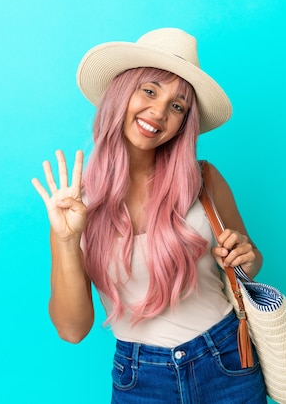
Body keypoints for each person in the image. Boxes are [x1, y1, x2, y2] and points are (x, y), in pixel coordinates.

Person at [32, 28, 267, 403]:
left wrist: (246, 257)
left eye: (177, 106)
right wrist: (65, 238)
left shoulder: (204, 179)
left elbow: (248, 264)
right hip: (142, 378)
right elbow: (73, 330)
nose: (159, 112)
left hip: (227, 362)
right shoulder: (77, 204)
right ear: (122, 93)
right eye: (150, 90)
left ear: (183, 124)